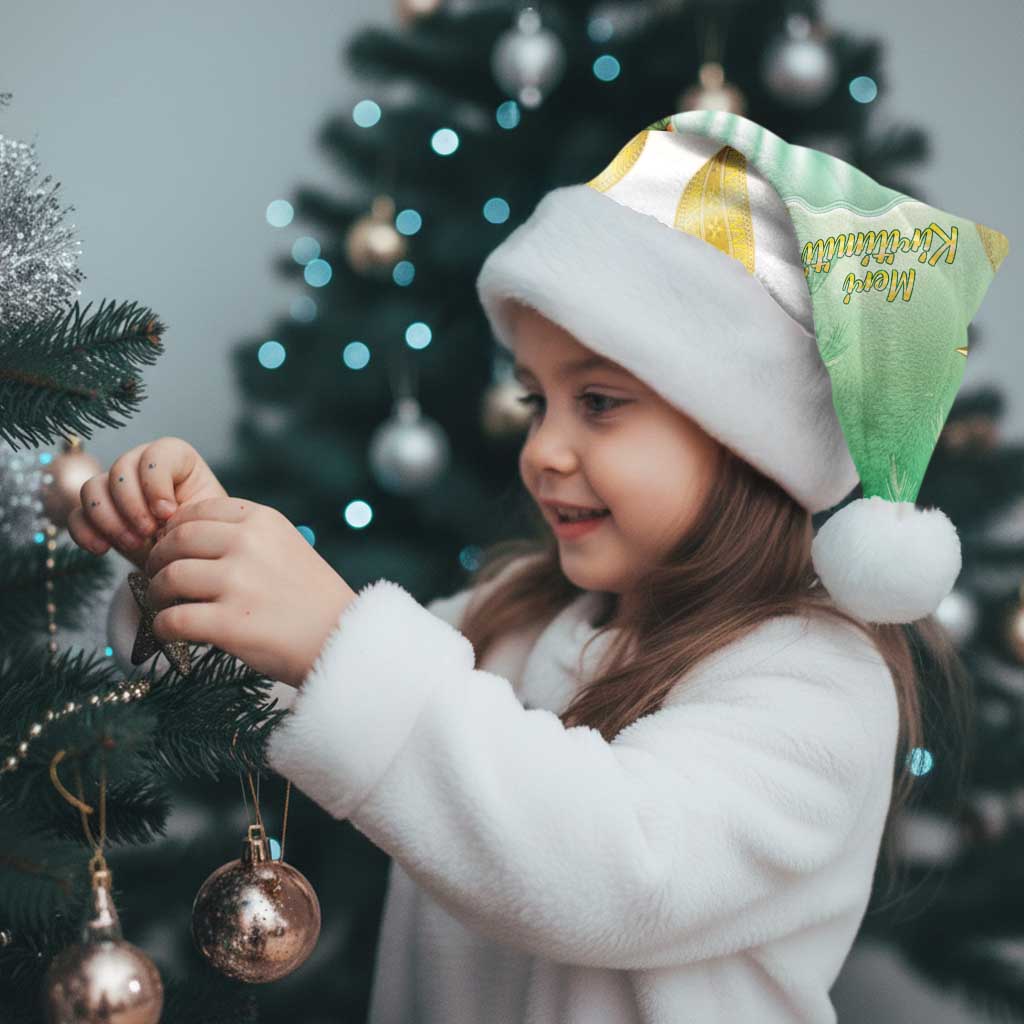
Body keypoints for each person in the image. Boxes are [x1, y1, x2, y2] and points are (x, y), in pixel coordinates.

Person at [72, 110, 1010, 1023]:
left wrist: (335, 636)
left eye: (598, 402)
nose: (543, 450)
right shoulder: (515, 616)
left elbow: (616, 870)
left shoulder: (818, 683)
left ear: (747, 440)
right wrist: (191, 566)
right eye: (535, 401)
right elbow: (304, 692)